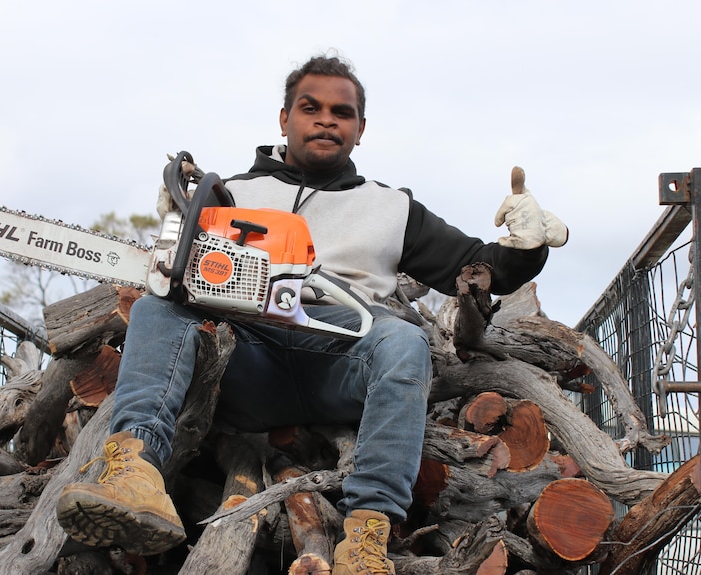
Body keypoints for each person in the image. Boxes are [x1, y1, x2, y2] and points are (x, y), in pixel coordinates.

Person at [56, 54, 567, 575]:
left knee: (402, 341)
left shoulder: (391, 206)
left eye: (341, 113)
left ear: (360, 128)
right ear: (285, 119)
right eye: (311, 108)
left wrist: (527, 246)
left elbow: (481, 268)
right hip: (247, 361)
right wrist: (183, 226)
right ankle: (132, 470)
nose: (326, 120)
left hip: (343, 358)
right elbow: (184, 278)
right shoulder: (232, 194)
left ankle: (365, 538)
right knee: (159, 308)